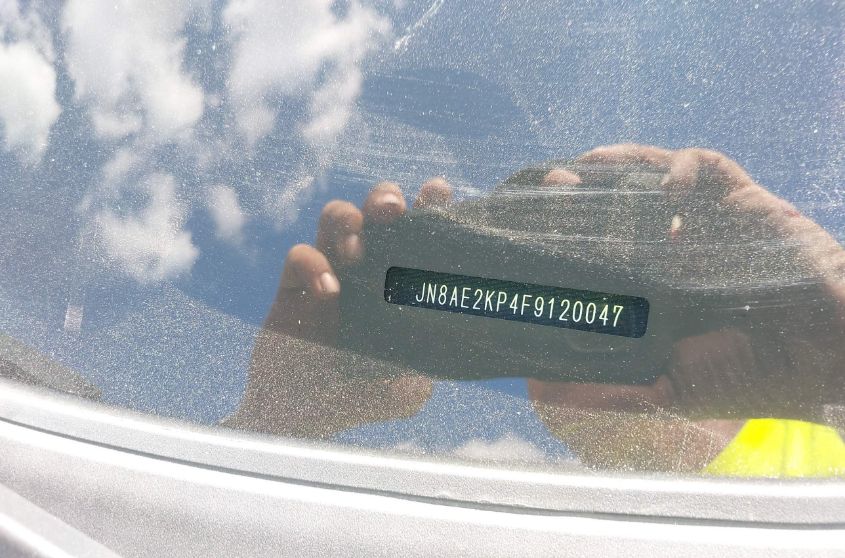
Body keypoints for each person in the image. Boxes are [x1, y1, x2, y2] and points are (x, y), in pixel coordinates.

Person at [223, 145, 845, 477]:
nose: (577, 302)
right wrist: (275, 427)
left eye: (609, 252)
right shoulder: (517, 513)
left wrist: (829, 322)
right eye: (532, 256)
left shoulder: (822, 441)